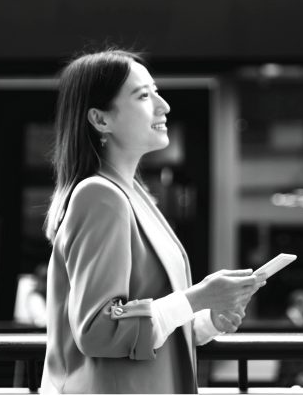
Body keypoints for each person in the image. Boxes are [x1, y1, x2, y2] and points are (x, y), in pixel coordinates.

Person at [40, 49, 266, 395]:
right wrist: (195, 299)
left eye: (156, 91)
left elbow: (145, 324)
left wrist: (205, 319)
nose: (164, 106)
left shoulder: (134, 195)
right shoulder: (102, 196)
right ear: (101, 120)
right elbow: (98, 330)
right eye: (144, 95)